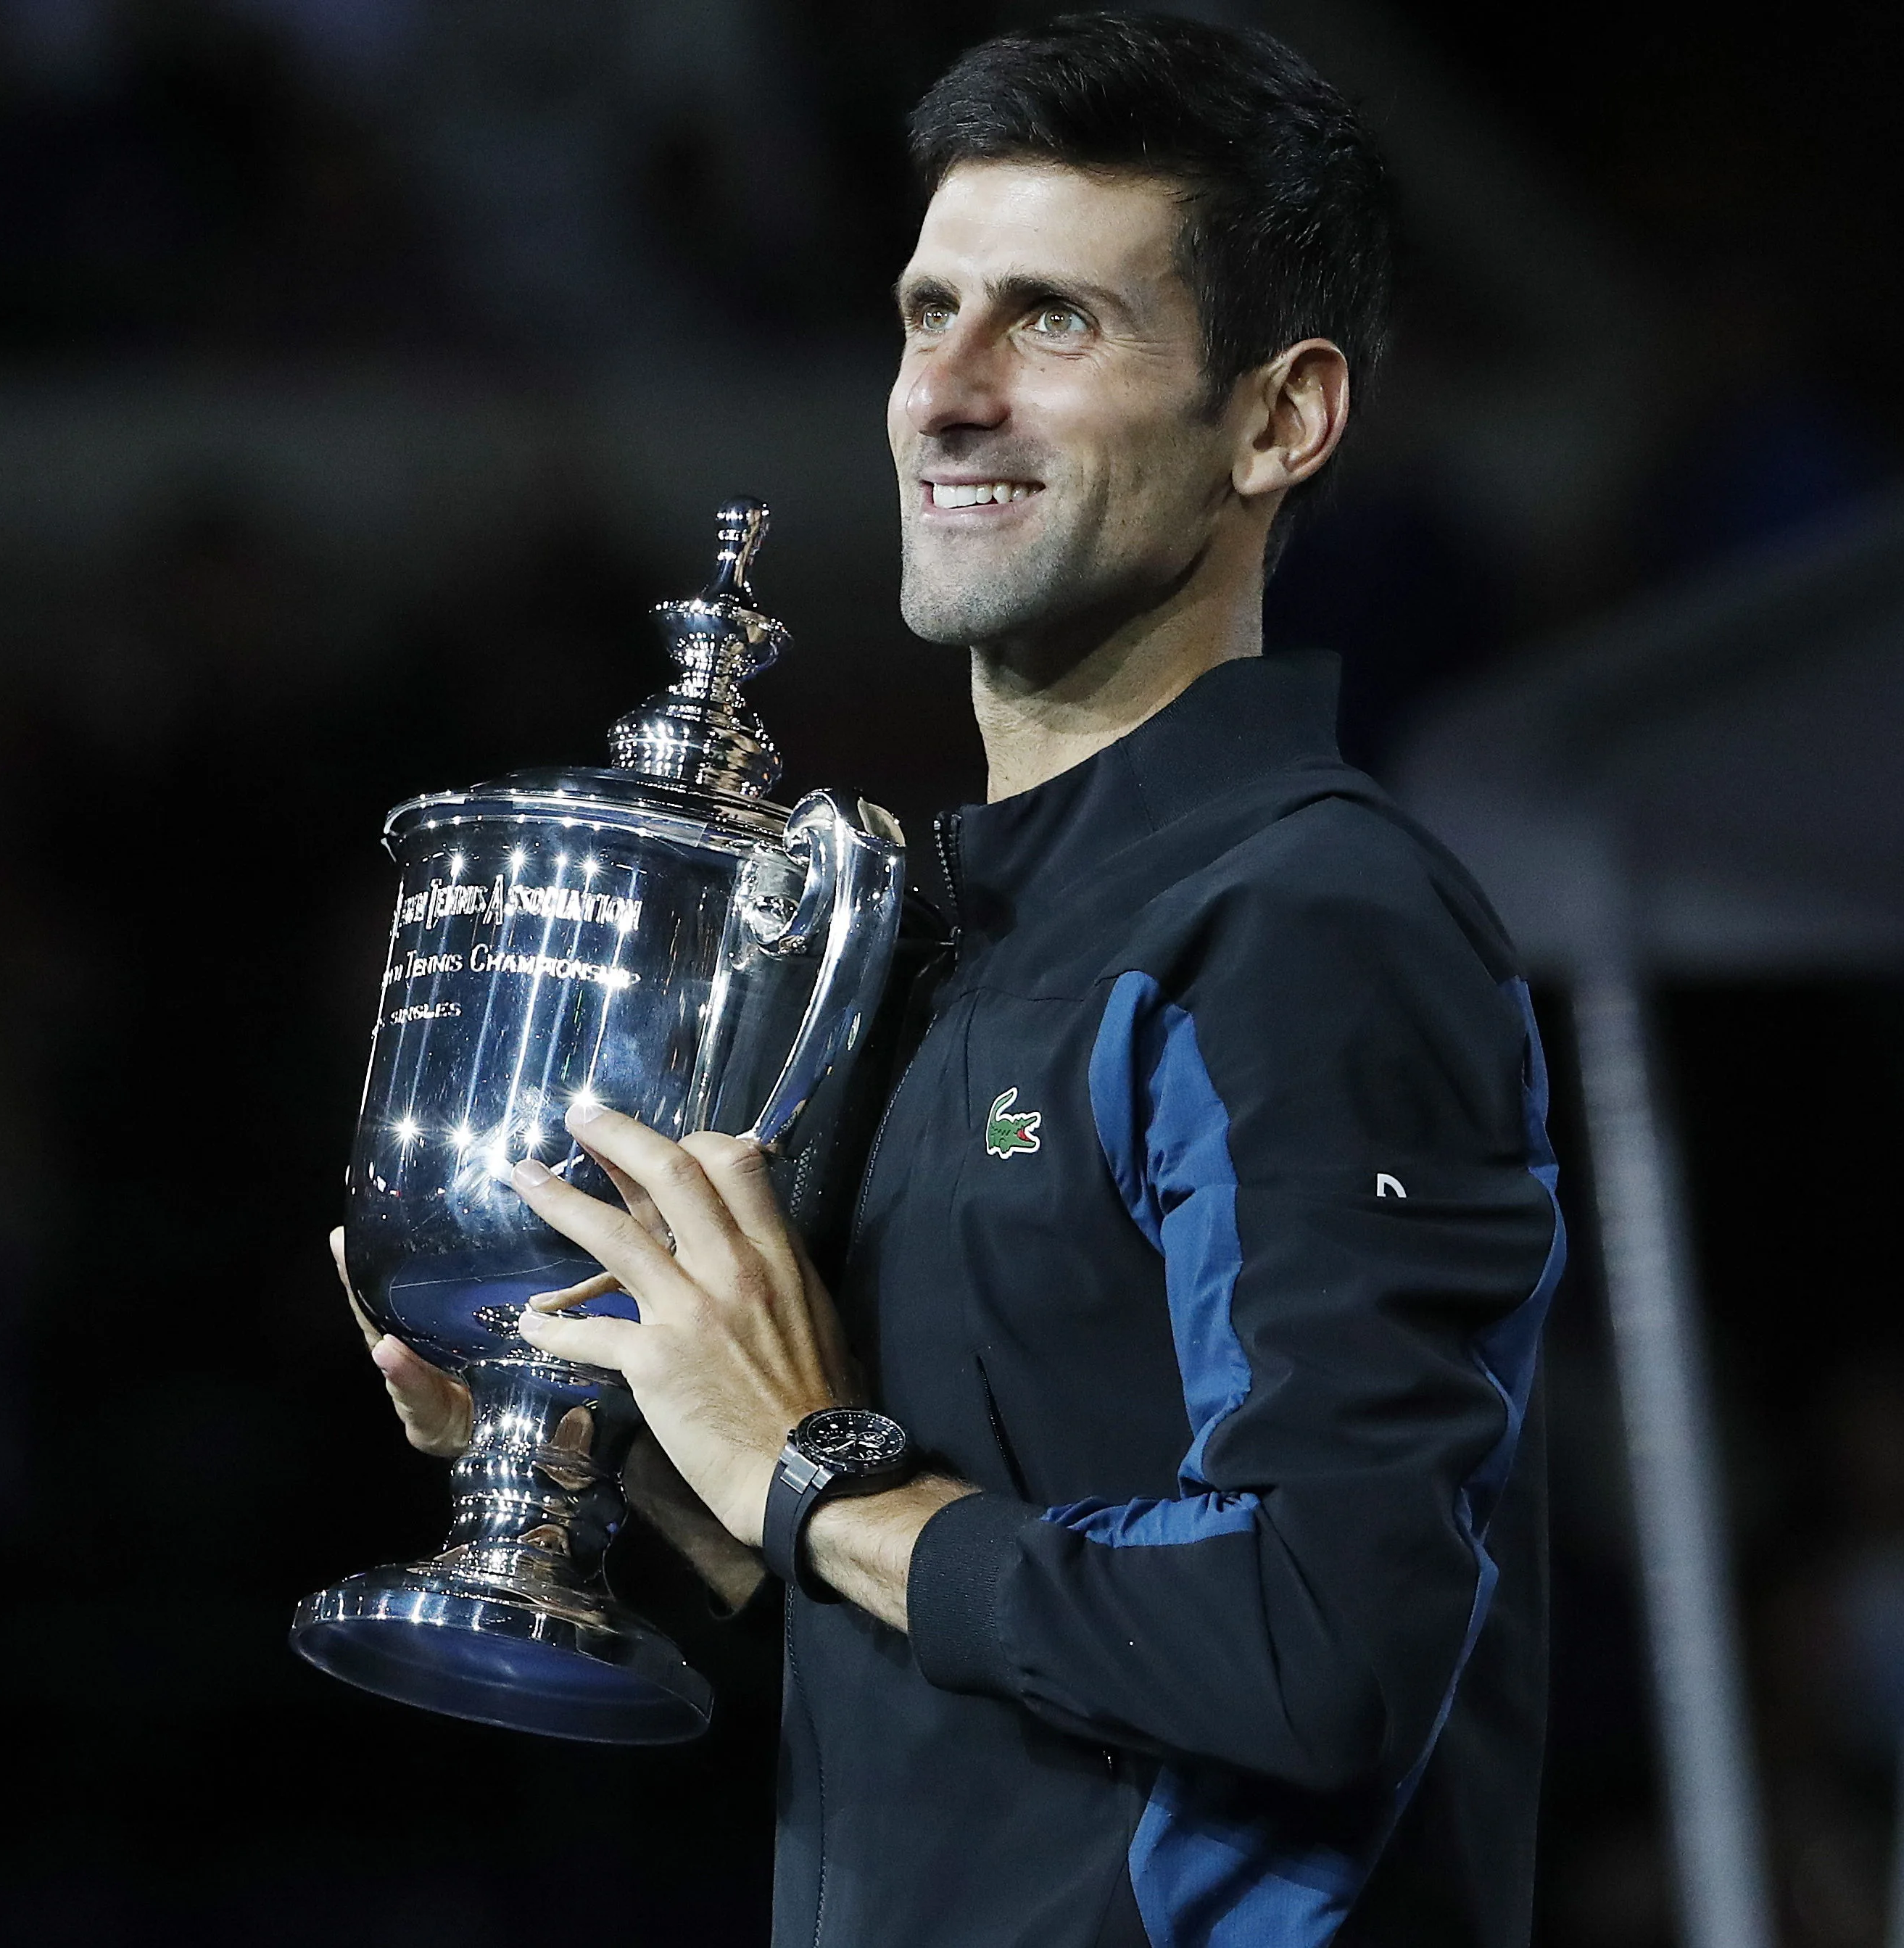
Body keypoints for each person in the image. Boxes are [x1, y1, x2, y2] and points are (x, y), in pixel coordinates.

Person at [335, 16, 1562, 1947]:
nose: (946, 394)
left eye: (1053, 323)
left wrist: (814, 1473)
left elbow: (1323, 1643)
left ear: (1278, 419)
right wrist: (622, 1454)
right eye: (929, 312)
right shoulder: (935, 934)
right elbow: (986, 1647)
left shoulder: (1312, 922)